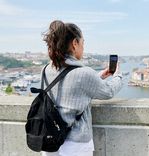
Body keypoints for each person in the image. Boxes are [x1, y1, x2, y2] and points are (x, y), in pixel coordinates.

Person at [41, 20, 123, 156]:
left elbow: (69, 85)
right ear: (75, 43)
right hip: (75, 145)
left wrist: (98, 77)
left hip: (50, 140)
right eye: (83, 43)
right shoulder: (84, 72)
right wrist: (118, 76)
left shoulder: (45, 69)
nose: (83, 47)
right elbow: (108, 92)